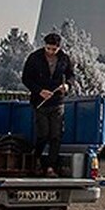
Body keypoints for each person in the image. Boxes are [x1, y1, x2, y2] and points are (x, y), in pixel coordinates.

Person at [21, 32, 75, 177]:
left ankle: (51, 167)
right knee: (43, 134)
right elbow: (26, 78)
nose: (50, 52)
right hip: (40, 103)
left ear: (58, 48)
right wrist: (39, 91)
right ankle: (36, 158)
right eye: (48, 48)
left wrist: (68, 86)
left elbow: (71, 75)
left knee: (56, 136)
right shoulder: (34, 58)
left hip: (57, 102)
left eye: (53, 49)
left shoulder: (64, 58)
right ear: (45, 45)